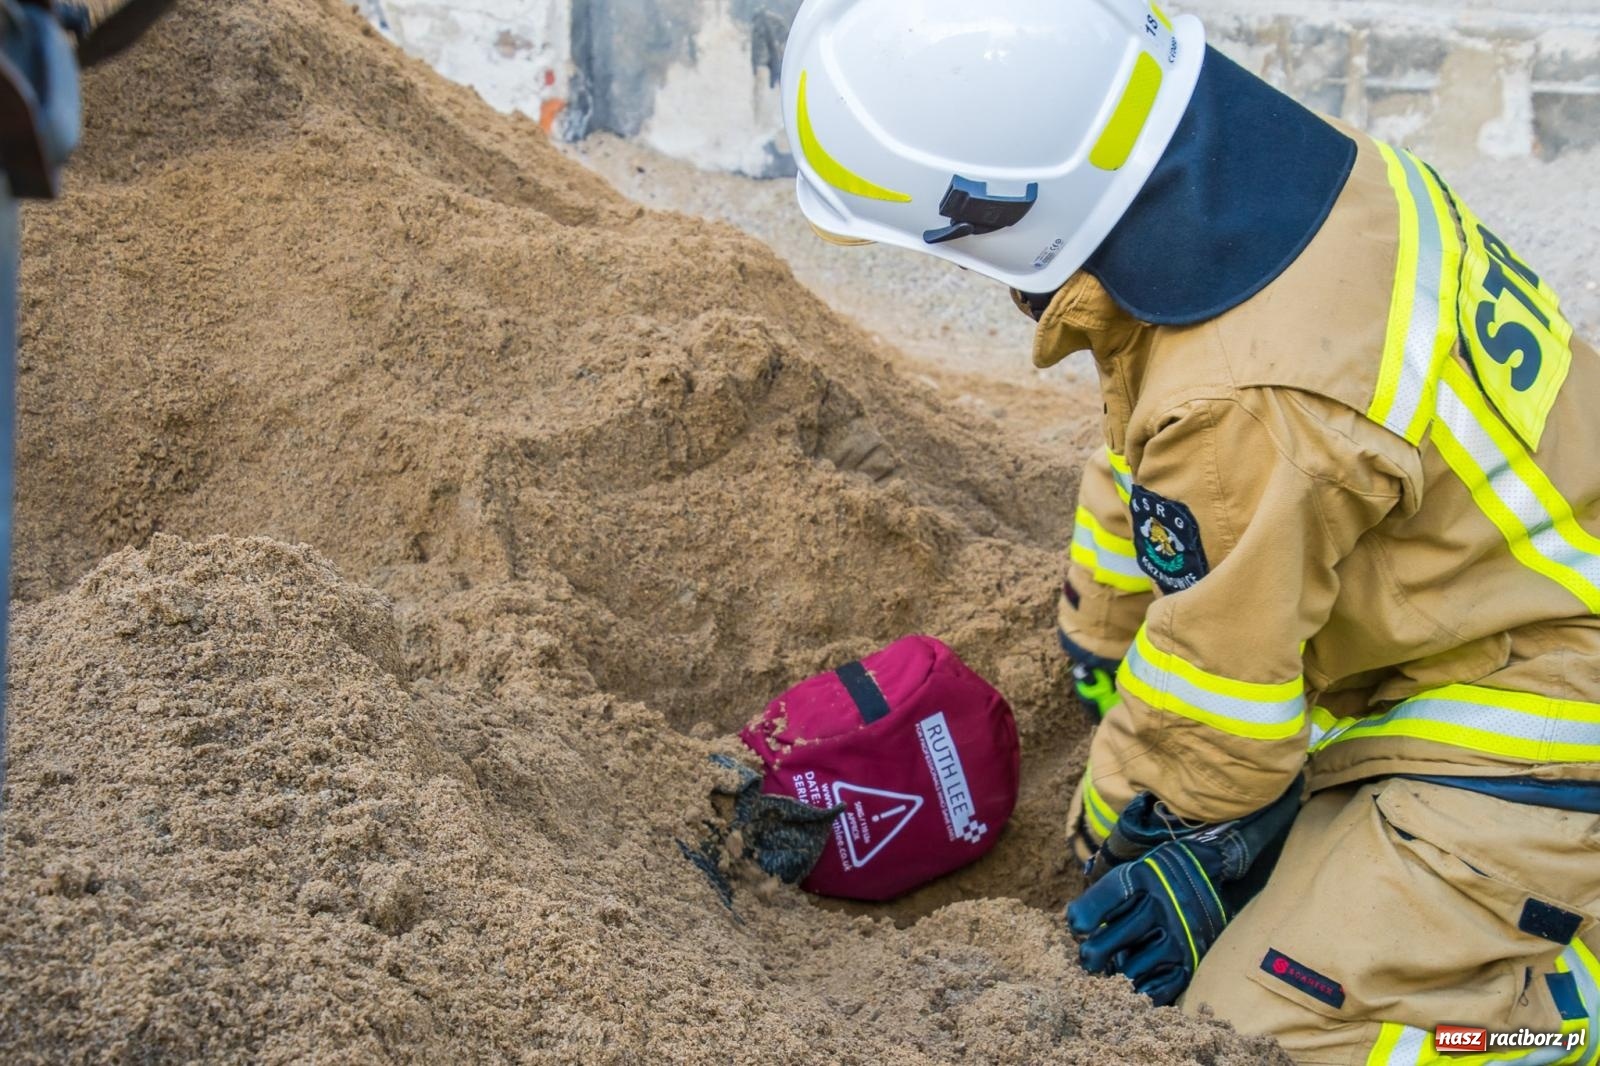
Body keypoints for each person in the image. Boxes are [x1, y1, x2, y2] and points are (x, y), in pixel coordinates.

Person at [779, 0, 1600, 1062]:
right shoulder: (1288, 192)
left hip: (1538, 706)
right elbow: (1156, 451)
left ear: (993, 211)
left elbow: (1222, 700)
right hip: (1495, 595)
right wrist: (1102, 631)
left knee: (1258, 1032)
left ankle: (1554, 1012)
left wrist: (1146, 835)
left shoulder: (1245, 396)